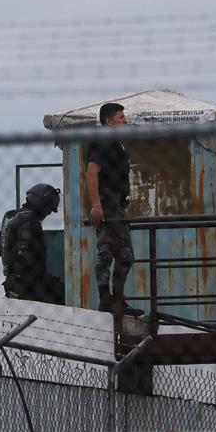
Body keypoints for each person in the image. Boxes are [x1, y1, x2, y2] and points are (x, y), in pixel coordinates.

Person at [86, 102, 144, 316]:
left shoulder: (115, 143)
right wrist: (96, 205)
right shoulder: (104, 141)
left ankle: (116, 299)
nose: (125, 121)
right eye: (121, 117)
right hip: (107, 203)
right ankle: (108, 299)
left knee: (122, 253)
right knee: (109, 251)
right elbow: (92, 173)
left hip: (116, 204)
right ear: (108, 121)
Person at [0, 183, 65, 305]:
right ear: (42, 204)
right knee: (62, 292)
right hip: (26, 283)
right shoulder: (28, 219)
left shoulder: (11, 215)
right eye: (48, 209)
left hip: (13, 280)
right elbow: (24, 252)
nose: (48, 213)